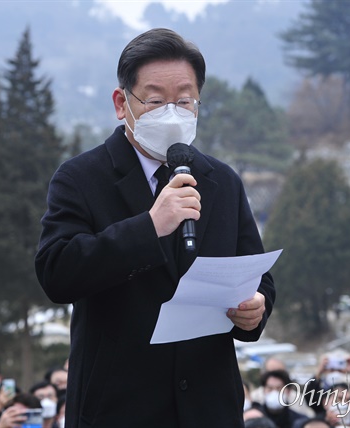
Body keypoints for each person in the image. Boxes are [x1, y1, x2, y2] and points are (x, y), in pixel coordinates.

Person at [35, 27, 276, 427]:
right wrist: (149, 226)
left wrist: (255, 308)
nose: (172, 113)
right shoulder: (80, 177)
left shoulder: (222, 180)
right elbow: (56, 272)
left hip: (208, 407)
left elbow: (256, 274)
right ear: (121, 103)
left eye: (184, 100)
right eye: (155, 100)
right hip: (117, 408)